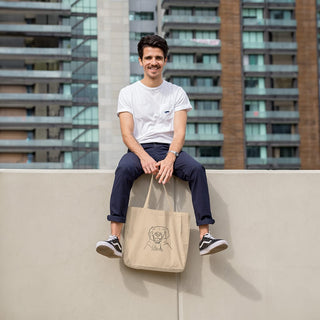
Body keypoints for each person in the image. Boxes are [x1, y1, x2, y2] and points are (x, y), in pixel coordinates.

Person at [96, 35, 228, 258]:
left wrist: (170, 158)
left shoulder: (176, 93)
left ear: (165, 60)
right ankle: (115, 238)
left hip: (171, 150)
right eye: (148, 57)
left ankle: (205, 236)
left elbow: (179, 133)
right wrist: (143, 157)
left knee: (196, 170)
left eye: (158, 57)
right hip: (139, 149)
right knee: (124, 170)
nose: (153, 62)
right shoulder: (128, 93)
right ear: (140, 61)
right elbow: (127, 134)